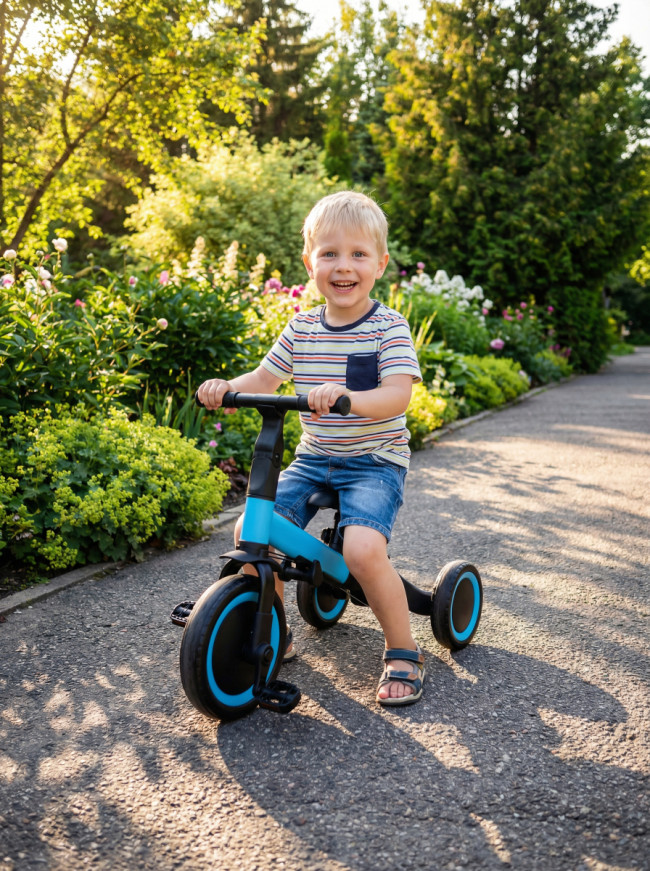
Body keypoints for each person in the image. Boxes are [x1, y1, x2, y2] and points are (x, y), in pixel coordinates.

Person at [197, 191, 425, 706]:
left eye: (358, 254)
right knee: (250, 536)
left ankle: (404, 649)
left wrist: (348, 397)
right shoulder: (301, 327)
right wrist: (224, 387)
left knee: (361, 551)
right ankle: (273, 631)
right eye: (329, 254)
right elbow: (263, 376)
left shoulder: (387, 328)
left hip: (373, 461)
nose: (343, 266)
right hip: (315, 458)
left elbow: (398, 395)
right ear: (309, 263)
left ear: (381, 264)